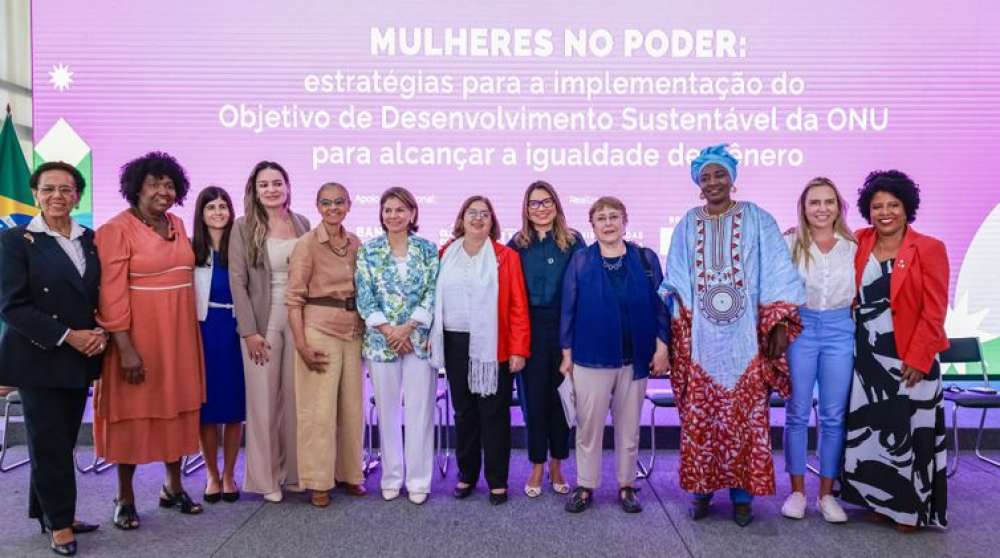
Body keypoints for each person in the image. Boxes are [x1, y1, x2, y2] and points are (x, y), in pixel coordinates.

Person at [660, 144, 805, 526]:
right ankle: (702, 492)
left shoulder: (757, 219)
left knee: (746, 418)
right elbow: (676, 278)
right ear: (698, 184)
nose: (713, 182)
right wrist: (682, 325)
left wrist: (775, 323)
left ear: (732, 178)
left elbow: (777, 269)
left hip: (746, 344)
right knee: (701, 421)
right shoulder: (688, 224)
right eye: (705, 177)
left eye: (719, 174)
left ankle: (743, 498)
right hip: (703, 346)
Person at [94, 151, 206, 530]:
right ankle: (124, 496)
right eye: (154, 183)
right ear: (135, 188)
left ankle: (172, 487)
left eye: (169, 184)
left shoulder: (176, 223)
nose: (163, 190)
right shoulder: (116, 229)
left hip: (178, 334)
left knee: (175, 407)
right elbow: (110, 294)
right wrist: (125, 348)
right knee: (133, 413)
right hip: (137, 337)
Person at [0, 162, 104, 555]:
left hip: (80, 354)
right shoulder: (16, 240)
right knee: (48, 442)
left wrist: (102, 331)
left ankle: (48, 511)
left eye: (66, 189)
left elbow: (98, 295)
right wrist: (67, 335)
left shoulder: (90, 239)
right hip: (38, 356)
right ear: (35, 194)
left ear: (78, 195)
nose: (57, 196)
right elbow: (12, 307)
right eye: (48, 189)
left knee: (58, 441)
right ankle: (61, 523)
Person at [840, 170, 949, 532]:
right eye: (877, 206)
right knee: (874, 434)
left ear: (907, 208)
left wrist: (919, 359)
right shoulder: (859, 241)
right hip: (869, 357)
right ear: (867, 211)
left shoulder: (929, 248)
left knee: (910, 434)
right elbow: (821, 243)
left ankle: (911, 510)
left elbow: (935, 311)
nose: (885, 212)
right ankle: (881, 503)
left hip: (910, 356)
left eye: (893, 205)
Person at [560, 196, 669, 514]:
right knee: (588, 427)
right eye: (601, 218)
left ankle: (626, 485)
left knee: (629, 426)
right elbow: (568, 309)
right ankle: (585, 485)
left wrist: (662, 347)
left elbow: (661, 307)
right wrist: (566, 355)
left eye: (614, 217)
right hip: (590, 359)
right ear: (592, 225)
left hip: (635, 359)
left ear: (625, 221)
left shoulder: (645, 259)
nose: (608, 223)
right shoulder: (581, 260)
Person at [430, 195, 530, 505]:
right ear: (461, 220)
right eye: (471, 213)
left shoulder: (505, 257)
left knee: (494, 414)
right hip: (455, 343)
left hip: (494, 348)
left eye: (484, 214)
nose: (477, 218)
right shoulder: (445, 253)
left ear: (492, 221)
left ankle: (497, 480)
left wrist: (518, 349)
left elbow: (517, 306)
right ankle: (467, 475)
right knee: (464, 413)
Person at [229, 161, 310, 503]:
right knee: (262, 402)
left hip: (300, 318)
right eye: (265, 185)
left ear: (288, 186)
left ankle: (293, 474)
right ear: (255, 190)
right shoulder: (244, 226)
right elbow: (237, 281)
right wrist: (248, 331)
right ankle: (266, 479)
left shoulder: (302, 222)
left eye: (278, 183)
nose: (272, 189)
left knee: (294, 399)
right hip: (263, 321)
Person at [780, 177, 857, 523]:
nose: (822, 209)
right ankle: (797, 492)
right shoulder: (789, 242)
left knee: (832, 416)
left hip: (841, 330)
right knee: (796, 412)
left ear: (839, 207)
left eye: (829, 202)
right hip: (802, 328)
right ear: (804, 208)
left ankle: (826, 495)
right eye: (815, 202)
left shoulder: (854, 245)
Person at [355, 187, 439, 505]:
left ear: (413, 213)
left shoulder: (428, 250)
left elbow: (433, 292)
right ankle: (391, 477)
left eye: (400, 209)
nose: (393, 215)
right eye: (387, 210)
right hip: (381, 342)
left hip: (418, 342)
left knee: (419, 412)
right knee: (387, 412)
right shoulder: (369, 250)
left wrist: (408, 328)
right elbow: (364, 294)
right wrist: (391, 331)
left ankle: (419, 480)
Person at [286, 182, 365, 507]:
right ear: (318, 207)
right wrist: (301, 344)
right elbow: (293, 299)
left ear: (349, 204)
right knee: (318, 411)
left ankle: (350, 475)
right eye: (326, 203)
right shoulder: (306, 244)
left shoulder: (355, 243)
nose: (333, 208)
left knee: (351, 409)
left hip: (352, 332)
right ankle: (318, 481)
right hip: (318, 329)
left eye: (339, 202)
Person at [508, 181, 585, 498]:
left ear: (556, 204)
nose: (541, 208)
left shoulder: (574, 241)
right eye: (534, 203)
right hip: (529, 330)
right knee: (534, 402)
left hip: (566, 330)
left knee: (562, 400)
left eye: (546, 201)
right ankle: (537, 464)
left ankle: (558, 463)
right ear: (526, 209)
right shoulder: (517, 244)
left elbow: (583, 289)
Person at [192, 186, 246, 504]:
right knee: (207, 409)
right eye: (211, 207)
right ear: (201, 213)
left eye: (223, 206)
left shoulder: (239, 249)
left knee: (233, 408)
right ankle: (212, 475)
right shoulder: (190, 250)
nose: (217, 212)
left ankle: (229, 475)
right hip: (202, 330)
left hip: (235, 331)